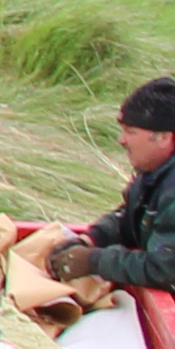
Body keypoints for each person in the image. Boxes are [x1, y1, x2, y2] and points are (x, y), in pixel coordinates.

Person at [52, 79, 175, 291]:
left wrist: (94, 261)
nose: (121, 140)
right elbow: (132, 217)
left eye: (131, 131)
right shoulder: (154, 173)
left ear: (164, 138)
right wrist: (92, 238)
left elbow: (164, 268)